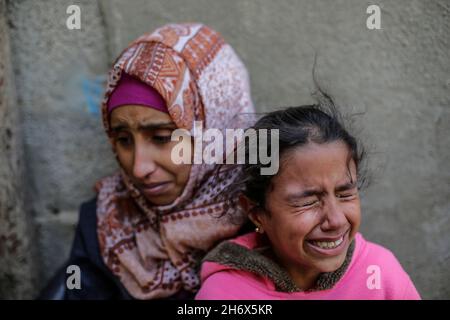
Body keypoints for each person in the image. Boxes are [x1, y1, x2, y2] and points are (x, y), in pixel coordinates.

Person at [39, 23, 255, 299]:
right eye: (124, 140)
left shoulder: (268, 222)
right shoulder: (105, 221)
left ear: (218, 130)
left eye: (162, 137)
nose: (139, 169)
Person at [195, 96, 421, 300]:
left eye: (345, 194)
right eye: (307, 201)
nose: (337, 221)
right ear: (256, 213)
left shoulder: (380, 273)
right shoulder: (225, 293)